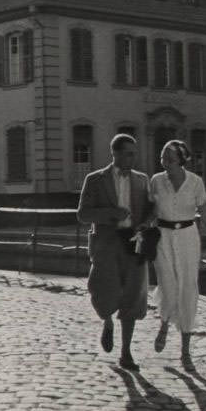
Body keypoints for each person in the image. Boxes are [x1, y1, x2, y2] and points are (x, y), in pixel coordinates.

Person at [77, 134, 153, 371]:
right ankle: (108, 322)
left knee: (133, 297)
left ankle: (126, 353)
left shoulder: (142, 180)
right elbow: (83, 215)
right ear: (115, 153)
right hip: (106, 243)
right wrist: (111, 213)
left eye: (134, 153)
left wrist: (146, 224)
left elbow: (152, 211)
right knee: (102, 291)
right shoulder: (95, 180)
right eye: (128, 153)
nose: (133, 158)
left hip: (134, 243)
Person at [150, 139, 206, 367]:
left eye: (170, 159)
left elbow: (203, 212)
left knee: (187, 289)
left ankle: (185, 351)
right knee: (168, 285)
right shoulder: (156, 181)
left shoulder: (195, 182)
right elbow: (151, 211)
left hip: (187, 237)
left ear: (181, 160)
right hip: (162, 237)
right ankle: (164, 323)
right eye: (163, 158)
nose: (165, 163)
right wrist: (142, 232)